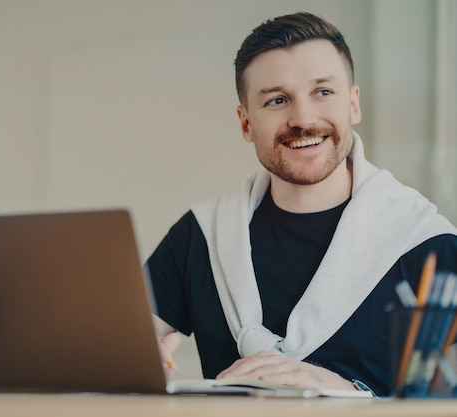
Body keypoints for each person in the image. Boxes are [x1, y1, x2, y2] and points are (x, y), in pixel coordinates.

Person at [146, 11, 457, 397]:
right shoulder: (201, 235)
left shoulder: (427, 243)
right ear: (246, 124)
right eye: (277, 100)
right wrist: (130, 364)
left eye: (323, 92)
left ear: (353, 104)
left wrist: (348, 393)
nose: (303, 118)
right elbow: (117, 344)